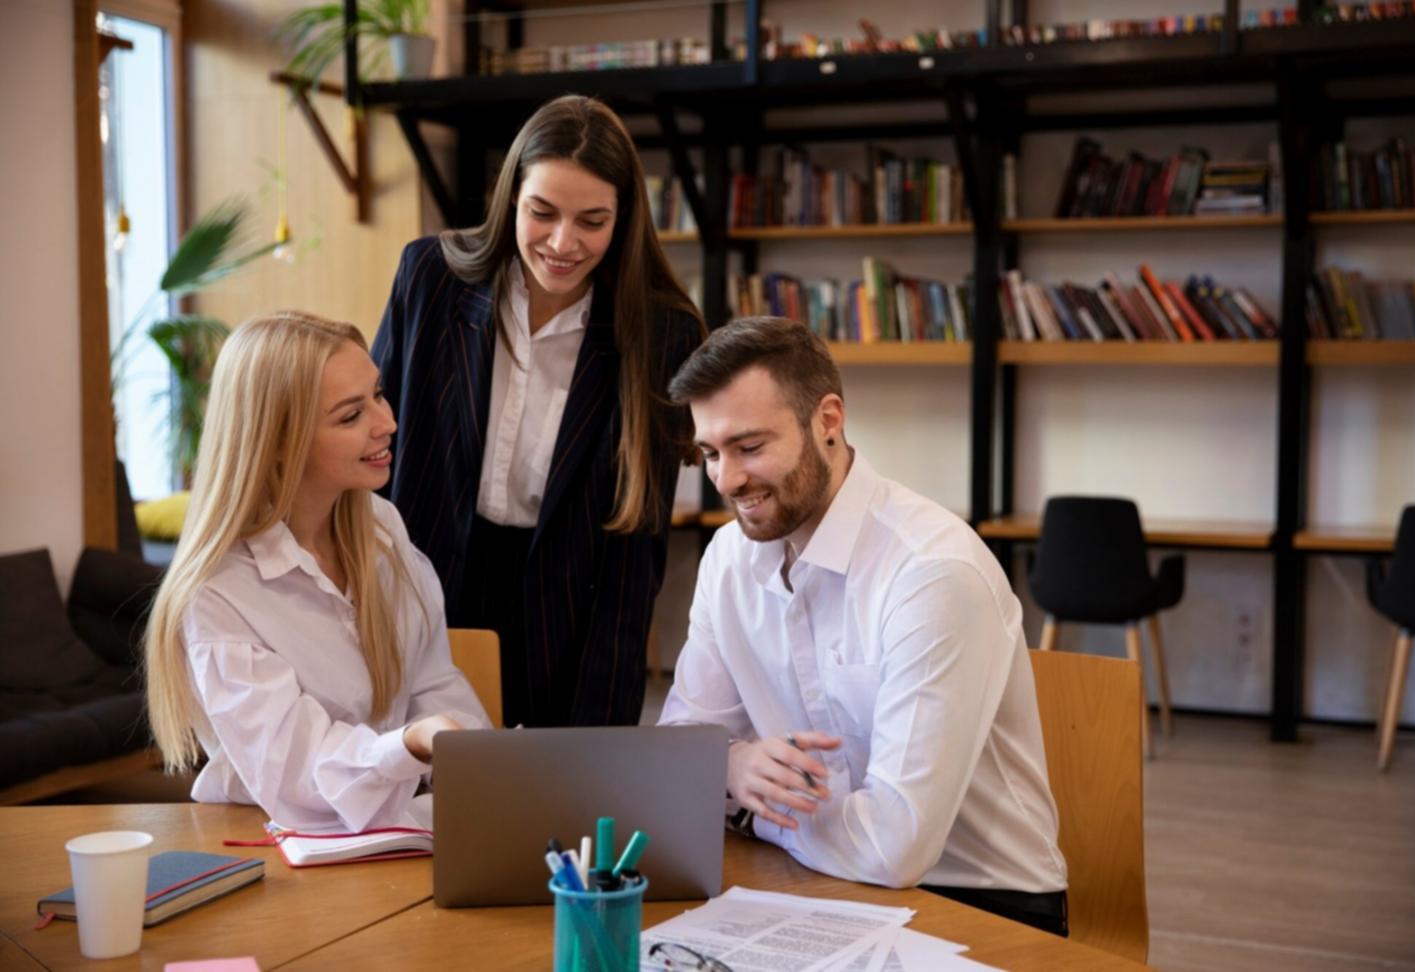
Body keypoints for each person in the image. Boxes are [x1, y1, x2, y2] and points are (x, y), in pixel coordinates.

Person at [658, 317, 1069, 936]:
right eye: (710, 454)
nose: (726, 480)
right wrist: (732, 763)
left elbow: (895, 846)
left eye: (749, 448)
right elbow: (679, 747)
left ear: (827, 421)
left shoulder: (932, 572)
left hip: (978, 903)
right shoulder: (727, 558)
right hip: (812, 879)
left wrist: (744, 806)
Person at [372, 95, 705, 728]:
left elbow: (638, 550)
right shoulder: (430, 280)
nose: (562, 242)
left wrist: (603, 729)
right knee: (417, 796)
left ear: (624, 219)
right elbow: (373, 449)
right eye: (542, 212)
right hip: (423, 580)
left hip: (568, 606)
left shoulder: (661, 331)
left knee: (547, 804)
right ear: (511, 199)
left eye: (592, 221)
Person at [144, 312, 488, 834]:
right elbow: (298, 776)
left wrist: (486, 772)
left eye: (378, 394)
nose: (387, 422)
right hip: (271, 848)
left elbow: (432, 682)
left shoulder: (380, 527)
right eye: (351, 416)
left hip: (391, 832)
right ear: (278, 441)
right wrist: (413, 744)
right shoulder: (219, 594)